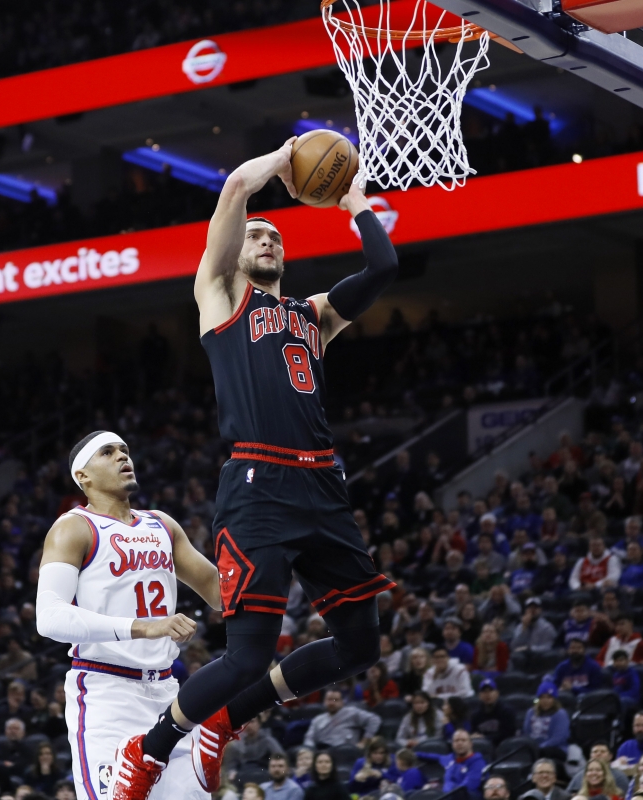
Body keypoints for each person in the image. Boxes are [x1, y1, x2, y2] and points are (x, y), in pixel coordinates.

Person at [114, 146, 399, 800]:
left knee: (360, 646)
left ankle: (225, 721)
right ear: (236, 252)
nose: (266, 239)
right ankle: (149, 750)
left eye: (275, 237)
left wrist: (353, 199)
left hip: (322, 485)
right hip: (258, 486)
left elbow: (384, 266)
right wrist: (292, 156)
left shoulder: (314, 314)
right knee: (247, 654)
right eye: (255, 235)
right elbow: (238, 185)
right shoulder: (218, 296)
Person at [34, 432, 220, 800]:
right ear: (83, 476)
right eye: (108, 452)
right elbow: (49, 617)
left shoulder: (162, 524)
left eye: (125, 450)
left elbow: (219, 592)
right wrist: (143, 628)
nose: (122, 456)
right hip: (108, 694)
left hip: (168, 694)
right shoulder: (73, 527)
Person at [302, 688, 381, 749]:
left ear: (342, 702)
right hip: (323, 753)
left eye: (335, 700)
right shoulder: (317, 719)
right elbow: (309, 738)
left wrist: (364, 741)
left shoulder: (351, 712)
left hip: (346, 751)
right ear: (324, 701)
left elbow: (374, 719)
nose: (332, 703)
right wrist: (310, 750)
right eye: (329, 699)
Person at [417, 729, 487, 797]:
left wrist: (444, 788)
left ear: (470, 744)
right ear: (452, 745)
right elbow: (431, 756)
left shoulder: (477, 762)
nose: (459, 743)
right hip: (448, 794)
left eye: (463, 740)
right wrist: (413, 754)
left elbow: (469, 787)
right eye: (456, 741)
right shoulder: (450, 758)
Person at [524, 682, 571, 759]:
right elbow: (527, 733)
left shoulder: (560, 714)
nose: (545, 701)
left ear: (554, 699)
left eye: (549, 697)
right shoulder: (530, 713)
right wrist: (533, 747)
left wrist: (539, 748)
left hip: (556, 748)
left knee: (544, 752)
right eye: (542, 697)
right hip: (535, 749)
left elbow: (558, 738)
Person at [471, 678, 518, 747]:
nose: (487, 694)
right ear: (479, 695)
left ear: (497, 693)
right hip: (483, 748)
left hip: (504, 748)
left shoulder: (507, 712)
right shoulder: (475, 715)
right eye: (484, 691)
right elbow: (474, 734)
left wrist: (484, 738)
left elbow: (508, 734)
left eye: (491, 691)